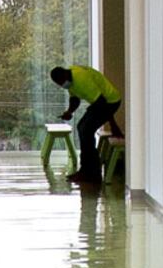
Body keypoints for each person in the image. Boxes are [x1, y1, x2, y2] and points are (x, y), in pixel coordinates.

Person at [47, 61, 122, 191]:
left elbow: (102, 103)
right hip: (100, 102)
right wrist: (69, 112)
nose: (62, 86)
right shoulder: (70, 79)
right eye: (59, 84)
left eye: (61, 82)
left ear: (65, 76)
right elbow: (75, 99)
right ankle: (86, 170)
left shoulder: (81, 80)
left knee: (86, 130)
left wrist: (114, 126)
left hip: (110, 101)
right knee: (82, 127)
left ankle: (92, 173)